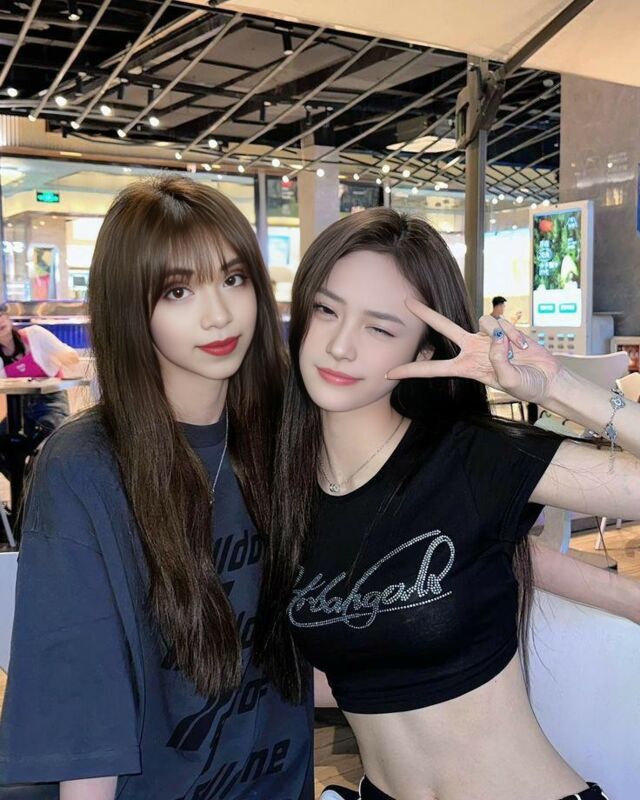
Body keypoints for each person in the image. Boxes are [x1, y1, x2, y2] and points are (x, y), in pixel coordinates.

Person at [257, 209, 640, 800]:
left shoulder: (470, 459)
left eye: (379, 328)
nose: (339, 345)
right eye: (327, 310)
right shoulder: (279, 491)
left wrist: (557, 386)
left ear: (426, 348)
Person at [0, 177, 313, 800]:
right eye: (178, 290)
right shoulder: (85, 466)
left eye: (233, 278)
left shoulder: (286, 437)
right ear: (130, 307)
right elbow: (84, 704)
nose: (218, 314)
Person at [0, 305, 80, 447]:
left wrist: (64, 356)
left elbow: (72, 357)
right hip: (19, 409)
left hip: (51, 403)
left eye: (0, 316)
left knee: (52, 441)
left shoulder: (35, 334)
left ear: (7, 317)